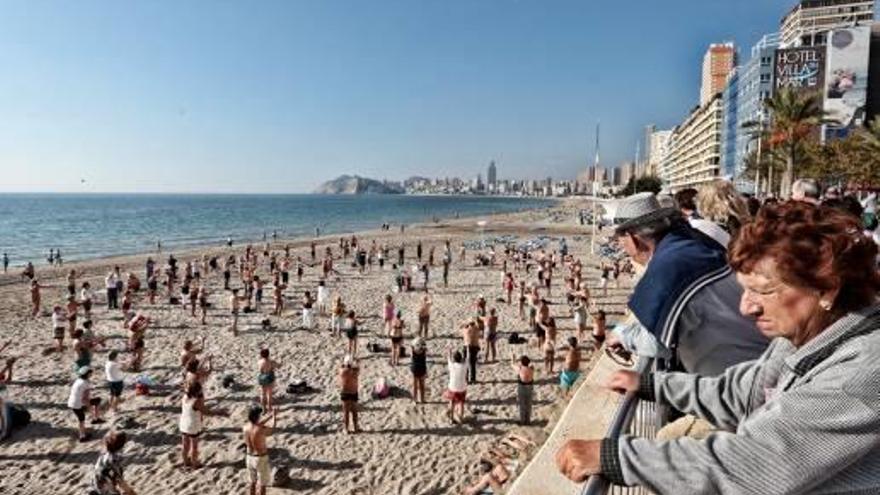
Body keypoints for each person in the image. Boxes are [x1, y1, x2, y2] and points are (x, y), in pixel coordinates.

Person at [555, 201, 880, 493]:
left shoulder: (860, 375)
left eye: (763, 292)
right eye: (744, 290)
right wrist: (655, 385)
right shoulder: (804, 337)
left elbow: (754, 465)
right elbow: (744, 394)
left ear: (827, 288)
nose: (746, 308)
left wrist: (617, 458)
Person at [610, 192, 768, 377]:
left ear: (632, 238)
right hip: (763, 356)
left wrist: (622, 335)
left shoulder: (666, 267)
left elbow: (658, 344)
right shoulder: (693, 242)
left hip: (741, 378)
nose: (623, 249)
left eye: (621, 242)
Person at [180, 381, 226, 469]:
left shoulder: (185, 396)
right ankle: (195, 463)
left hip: (183, 422)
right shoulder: (196, 401)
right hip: (192, 425)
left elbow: (186, 388)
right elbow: (206, 412)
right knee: (194, 446)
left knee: (185, 445)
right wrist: (220, 412)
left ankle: (185, 461)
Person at [243, 405, 276, 495]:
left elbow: (257, 424)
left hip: (249, 457)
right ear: (257, 417)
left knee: (252, 482)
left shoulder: (245, 427)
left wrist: (270, 416)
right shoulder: (260, 429)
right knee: (262, 484)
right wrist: (275, 418)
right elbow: (272, 429)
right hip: (260, 458)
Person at [67, 366, 103, 442]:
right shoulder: (86, 383)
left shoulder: (78, 380)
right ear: (88, 374)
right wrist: (90, 408)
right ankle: (82, 436)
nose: (91, 374)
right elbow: (85, 399)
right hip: (77, 404)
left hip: (71, 402)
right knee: (82, 420)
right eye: (90, 373)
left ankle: (95, 419)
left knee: (81, 419)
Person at [444, 348, 468, 424]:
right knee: (461, 403)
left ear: (454, 359)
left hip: (453, 387)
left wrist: (449, 352)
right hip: (462, 387)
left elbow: (449, 358)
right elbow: (468, 357)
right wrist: (466, 350)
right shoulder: (464, 366)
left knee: (452, 402)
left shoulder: (452, 366)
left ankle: (451, 418)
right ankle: (460, 418)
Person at [511, 353, 534, 425]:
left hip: (522, 386)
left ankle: (522, 421)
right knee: (528, 404)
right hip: (530, 386)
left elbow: (512, 365)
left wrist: (513, 358)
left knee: (522, 404)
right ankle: (528, 420)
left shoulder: (520, 369)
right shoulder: (531, 369)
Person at [338, 355, 360, 434]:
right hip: (353, 392)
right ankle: (356, 427)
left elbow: (340, 366)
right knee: (354, 411)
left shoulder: (342, 371)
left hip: (345, 392)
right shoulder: (355, 371)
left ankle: (346, 428)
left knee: (346, 412)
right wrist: (356, 362)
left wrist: (343, 363)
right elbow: (358, 365)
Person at [410, 338, 428, 404]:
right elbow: (425, 357)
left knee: (415, 386)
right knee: (422, 385)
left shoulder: (413, 351)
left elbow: (411, 350)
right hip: (422, 368)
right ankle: (422, 399)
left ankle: (415, 400)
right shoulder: (424, 351)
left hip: (415, 369)